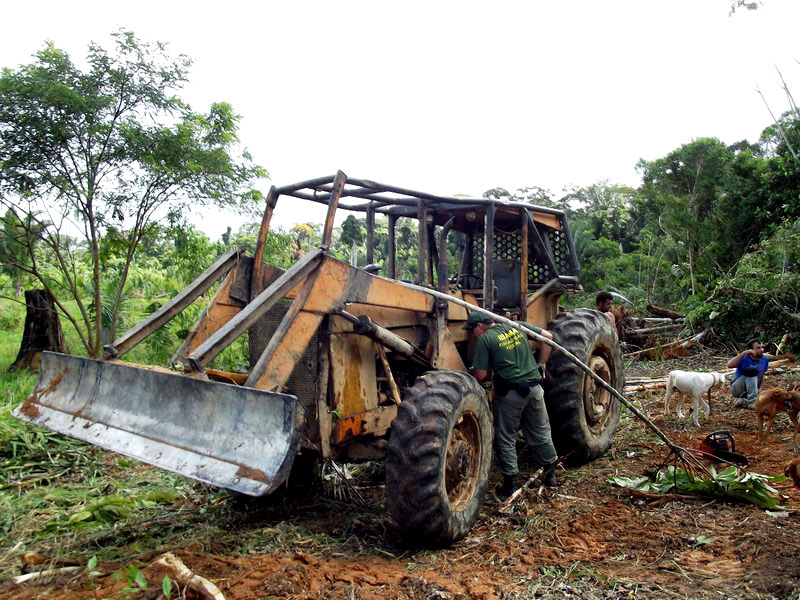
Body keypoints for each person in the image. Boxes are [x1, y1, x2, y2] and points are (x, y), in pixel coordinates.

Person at [464, 312, 559, 497]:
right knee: (541, 431)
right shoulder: (516, 325)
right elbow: (548, 337)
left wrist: (471, 372)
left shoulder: (485, 338)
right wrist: (542, 364)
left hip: (511, 394)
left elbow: (481, 375)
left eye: (471, 331)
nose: (472, 335)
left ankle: (510, 483)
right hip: (535, 389)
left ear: (479, 326)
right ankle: (550, 475)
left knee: (506, 434)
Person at [727, 339, 769, 408]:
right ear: (751, 350)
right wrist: (744, 353)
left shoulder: (765, 359)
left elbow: (761, 376)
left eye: (762, 347)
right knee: (752, 371)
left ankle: (741, 402)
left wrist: (757, 390)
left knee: (766, 397)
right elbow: (729, 365)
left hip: (751, 389)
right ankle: (751, 402)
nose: (762, 350)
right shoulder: (744, 358)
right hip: (738, 389)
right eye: (758, 348)